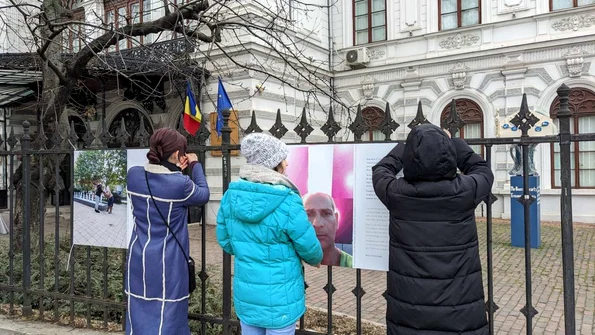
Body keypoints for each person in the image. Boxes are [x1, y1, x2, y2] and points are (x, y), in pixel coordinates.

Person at [372, 124, 493, 335]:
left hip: (410, 315)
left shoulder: (397, 194)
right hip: (461, 314)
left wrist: (407, 146)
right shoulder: (466, 191)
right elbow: (482, 169)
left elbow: (381, 170)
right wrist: (452, 141)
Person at [216, 132, 323, 335]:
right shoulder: (287, 199)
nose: (287, 163)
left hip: (247, 298)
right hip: (281, 301)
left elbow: (225, 240)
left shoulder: (231, 196)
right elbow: (308, 244)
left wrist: (246, 249)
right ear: (273, 163)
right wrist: (316, 258)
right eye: (283, 158)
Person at [125, 128, 210, 335]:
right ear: (175, 155)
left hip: (139, 258)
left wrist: (174, 170)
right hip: (168, 262)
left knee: (138, 308)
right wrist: (195, 164)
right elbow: (203, 194)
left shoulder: (134, 175)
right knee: (168, 314)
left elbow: (159, 182)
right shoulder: (180, 185)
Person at [302, 192, 353, 268]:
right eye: (308, 214)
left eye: (326, 213)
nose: (318, 224)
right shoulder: (288, 266)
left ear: (336, 220)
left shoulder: (355, 265)